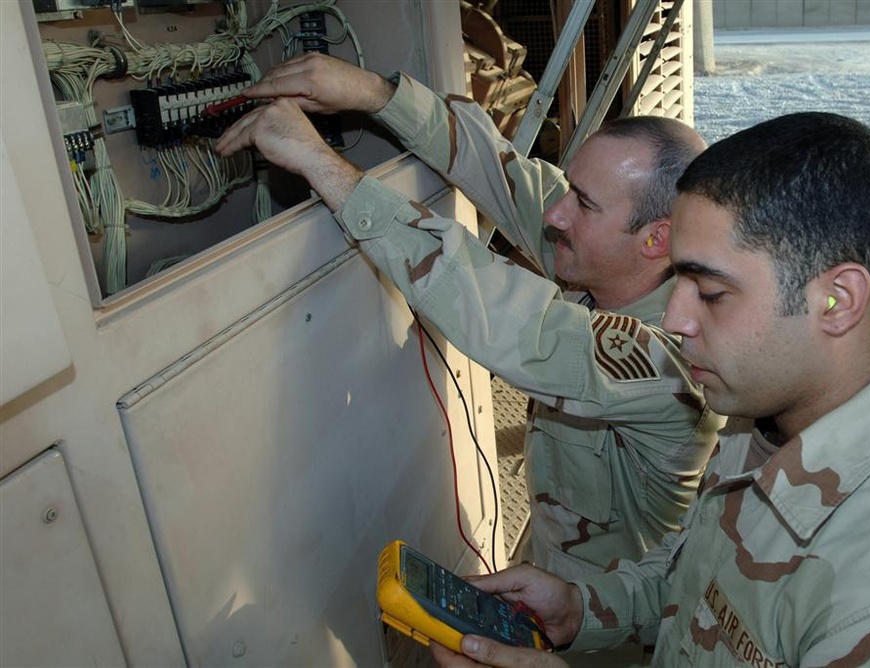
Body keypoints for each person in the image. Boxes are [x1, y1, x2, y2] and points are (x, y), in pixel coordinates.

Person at [424, 111, 870, 667]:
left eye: (712, 292)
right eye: (678, 278)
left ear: (837, 300)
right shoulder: (763, 415)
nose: (673, 318)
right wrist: (581, 609)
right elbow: (694, 583)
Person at [216, 54, 722, 584]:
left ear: (657, 239)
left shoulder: (674, 354)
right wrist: (370, 91)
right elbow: (500, 170)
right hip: (550, 558)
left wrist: (317, 160)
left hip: (610, 621)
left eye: (585, 204)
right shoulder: (616, 257)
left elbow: (500, 309)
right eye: (570, 189)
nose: (557, 213)